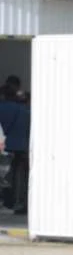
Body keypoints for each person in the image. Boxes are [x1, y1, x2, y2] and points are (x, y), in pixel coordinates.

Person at [0, 84, 29, 214]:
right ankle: (18, 202)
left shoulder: (2, 108)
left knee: (5, 177)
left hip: (5, 147)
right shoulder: (25, 110)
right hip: (22, 147)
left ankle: (6, 202)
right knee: (19, 177)